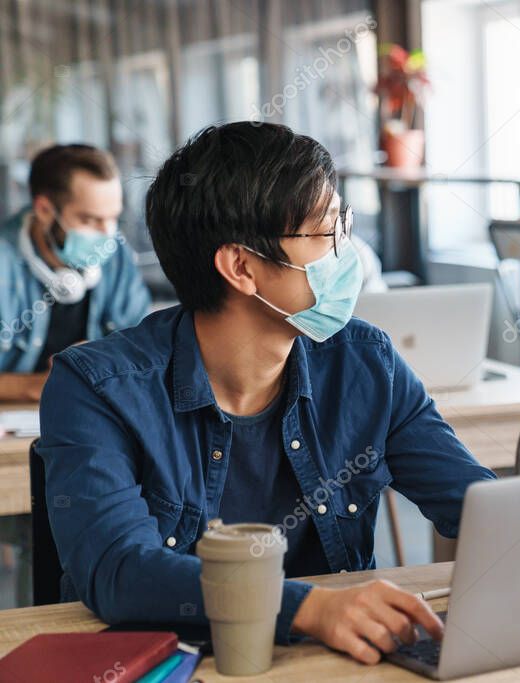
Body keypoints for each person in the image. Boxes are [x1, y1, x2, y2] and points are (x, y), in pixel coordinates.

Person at [38, 122, 495, 664]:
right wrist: (309, 608)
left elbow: (480, 509)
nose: (346, 253)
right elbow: (120, 570)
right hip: (182, 666)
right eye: (326, 233)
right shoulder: (95, 388)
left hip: (336, 665)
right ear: (242, 267)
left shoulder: (365, 362)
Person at [0, 144, 150, 401]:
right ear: (45, 210)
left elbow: (146, 354)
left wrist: (105, 356)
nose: (108, 234)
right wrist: (35, 385)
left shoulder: (116, 255)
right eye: (90, 220)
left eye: (113, 218)